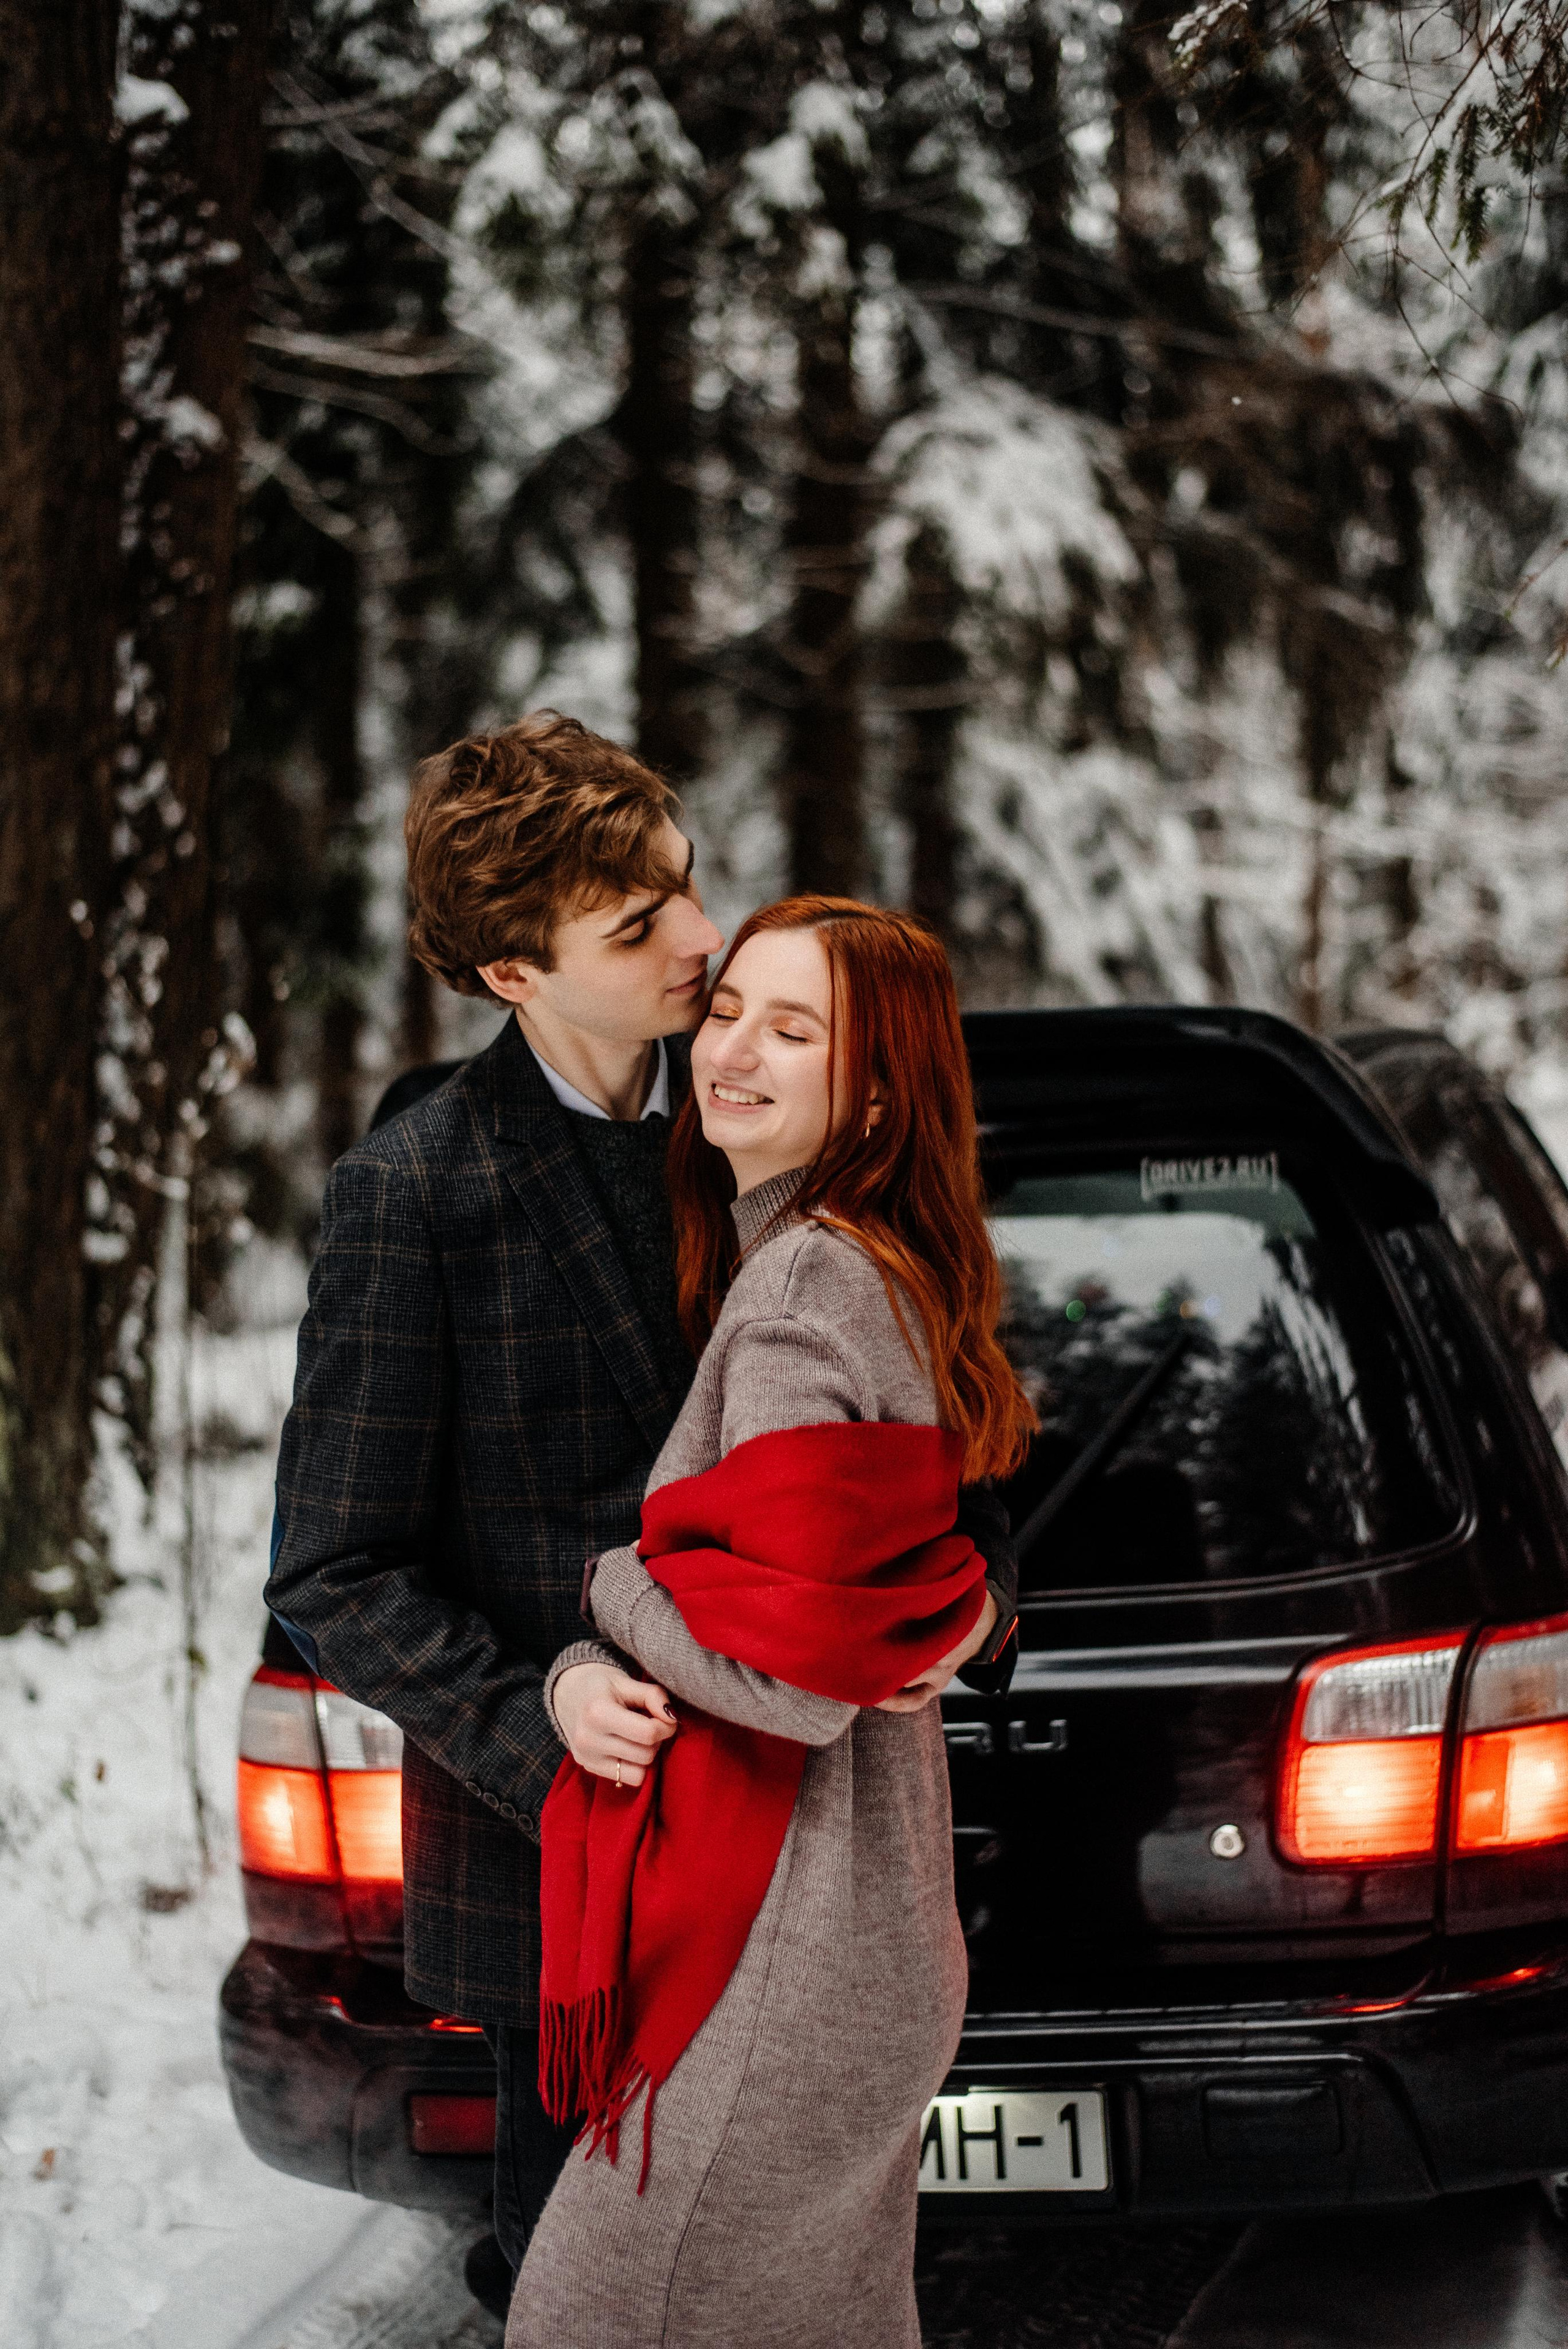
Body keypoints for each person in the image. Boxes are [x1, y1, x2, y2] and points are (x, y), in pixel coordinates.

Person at [265, 716, 1019, 2313]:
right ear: (509, 974)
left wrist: (968, 1607)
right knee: (591, 2293)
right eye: (638, 926)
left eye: (687, 887)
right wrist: (540, 1704)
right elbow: (337, 1562)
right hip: (576, 1893)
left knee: (807, 2297)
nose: (699, 940)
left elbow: (941, 1437)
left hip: (826, 1886)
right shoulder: (417, 1193)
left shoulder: (769, 1108)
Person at [510, 898, 1036, 2349]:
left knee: (586, 2323)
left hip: (782, 1970)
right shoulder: (858, 1262)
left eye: (790, 1030)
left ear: (871, 1091)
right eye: (728, 1006)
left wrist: (606, 1594)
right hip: (851, 1947)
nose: (730, 1049)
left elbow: (791, 1679)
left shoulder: (808, 1279)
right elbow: (875, 1608)